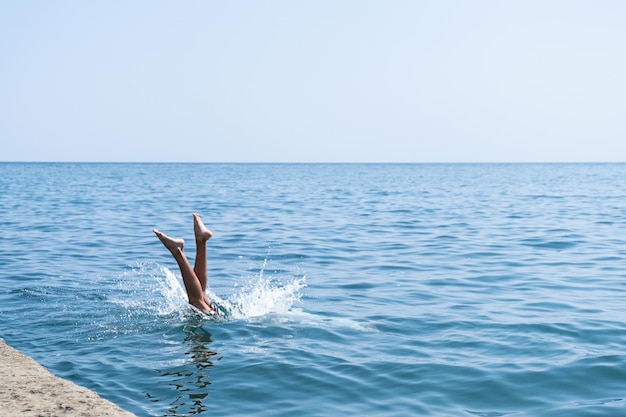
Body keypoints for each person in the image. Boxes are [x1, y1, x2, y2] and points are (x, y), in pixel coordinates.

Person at [154, 213, 218, 316]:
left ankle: (200, 240)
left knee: (200, 296)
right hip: (218, 319)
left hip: (219, 317)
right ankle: (178, 251)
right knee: (196, 301)